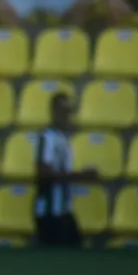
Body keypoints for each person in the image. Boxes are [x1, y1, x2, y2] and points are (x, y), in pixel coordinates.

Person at [35, 93, 99, 247]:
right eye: (63, 112)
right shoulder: (48, 137)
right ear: (54, 112)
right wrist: (79, 176)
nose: (67, 116)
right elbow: (43, 173)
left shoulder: (63, 138)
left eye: (69, 112)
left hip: (63, 210)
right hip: (51, 213)